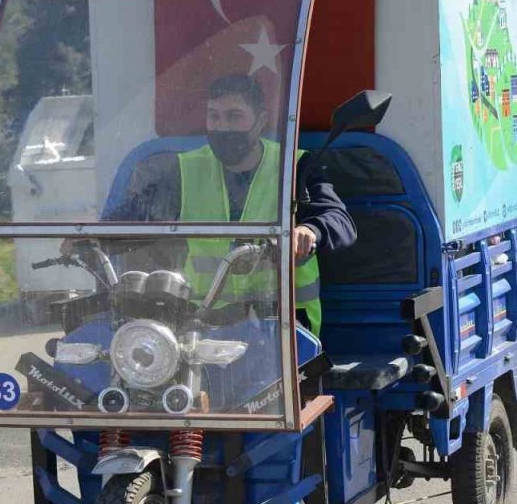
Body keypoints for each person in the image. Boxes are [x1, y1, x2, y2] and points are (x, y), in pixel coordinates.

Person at [98, 74, 356, 336]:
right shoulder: (182, 170)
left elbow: (338, 219)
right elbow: (135, 217)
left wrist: (310, 231)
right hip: (202, 324)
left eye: (234, 116)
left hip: (282, 325)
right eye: (214, 116)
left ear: (261, 121)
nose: (223, 127)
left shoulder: (295, 166)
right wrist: (91, 238)